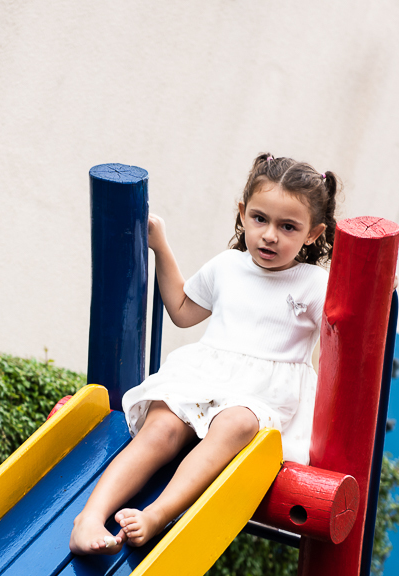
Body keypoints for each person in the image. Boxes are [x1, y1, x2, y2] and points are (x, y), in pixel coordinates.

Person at [69, 153, 339, 555]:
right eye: (260, 219)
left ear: (313, 233)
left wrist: (372, 290)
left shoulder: (315, 283)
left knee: (237, 423)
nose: (269, 235)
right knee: (161, 429)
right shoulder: (228, 266)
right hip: (206, 375)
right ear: (243, 213)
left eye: (288, 227)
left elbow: (344, 332)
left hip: (261, 395)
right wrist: (160, 246)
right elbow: (181, 309)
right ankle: (89, 517)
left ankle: (157, 514)